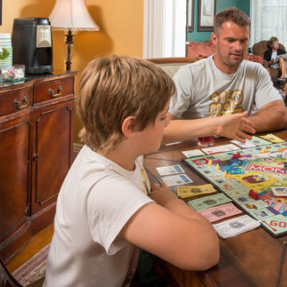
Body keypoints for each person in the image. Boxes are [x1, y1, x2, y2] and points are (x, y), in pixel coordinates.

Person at [44, 56, 219, 287]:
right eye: (162, 117)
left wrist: (218, 124)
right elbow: (205, 251)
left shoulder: (111, 144)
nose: (167, 123)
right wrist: (168, 201)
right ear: (130, 127)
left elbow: (157, 134)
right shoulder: (104, 190)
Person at [166, 7, 287, 143]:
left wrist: (238, 125)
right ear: (214, 39)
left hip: (235, 151)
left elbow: (280, 115)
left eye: (243, 41)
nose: (238, 47)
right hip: (194, 150)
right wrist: (218, 127)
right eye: (230, 40)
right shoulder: (188, 75)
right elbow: (160, 128)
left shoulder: (256, 71)